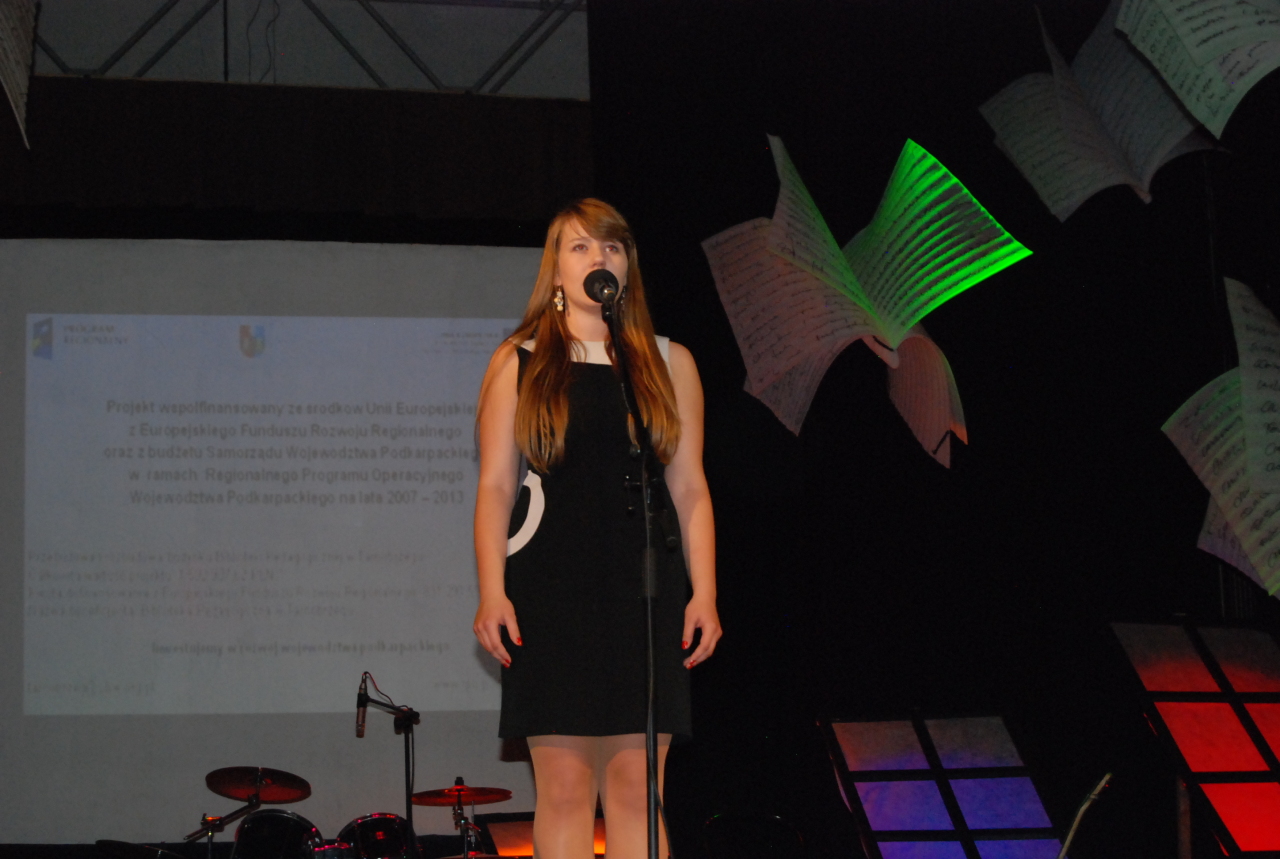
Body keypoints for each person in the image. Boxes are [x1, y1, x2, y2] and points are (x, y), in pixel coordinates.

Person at [473, 198, 721, 859]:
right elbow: (495, 486)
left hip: (644, 589)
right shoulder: (519, 361)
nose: (597, 257)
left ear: (627, 265)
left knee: (638, 789)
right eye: (579, 246)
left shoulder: (669, 361)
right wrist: (492, 591)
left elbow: (690, 487)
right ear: (556, 268)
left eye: (610, 246)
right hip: (551, 588)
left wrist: (704, 592)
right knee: (563, 789)